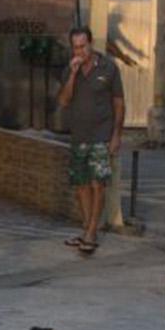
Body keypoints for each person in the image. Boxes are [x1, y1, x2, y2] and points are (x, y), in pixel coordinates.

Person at [55, 26, 123, 255]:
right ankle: (87, 228)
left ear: (91, 44)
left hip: (101, 135)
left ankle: (92, 231)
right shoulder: (69, 70)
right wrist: (73, 74)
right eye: (75, 47)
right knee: (82, 185)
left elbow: (119, 104)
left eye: (83, 46)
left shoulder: (109, 68)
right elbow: (64, 101)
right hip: (79, 136)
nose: (80, 51)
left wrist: (116, 136)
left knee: (98, 184)